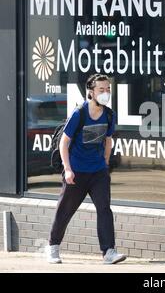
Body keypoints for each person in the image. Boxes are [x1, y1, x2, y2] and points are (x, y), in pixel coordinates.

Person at [45, 74, 126, 264]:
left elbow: (108, 140)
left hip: (98, 172)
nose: (106, 93)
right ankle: (53, 247)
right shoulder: (79, 113)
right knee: (65, 210)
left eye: (108, 89)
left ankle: (108, 252)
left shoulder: (109, 114)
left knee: (104, 209)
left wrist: (105, 164)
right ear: (91, 92)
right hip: (77, 172)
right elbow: (64, 143)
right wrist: (68, 169)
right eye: (101, 90)